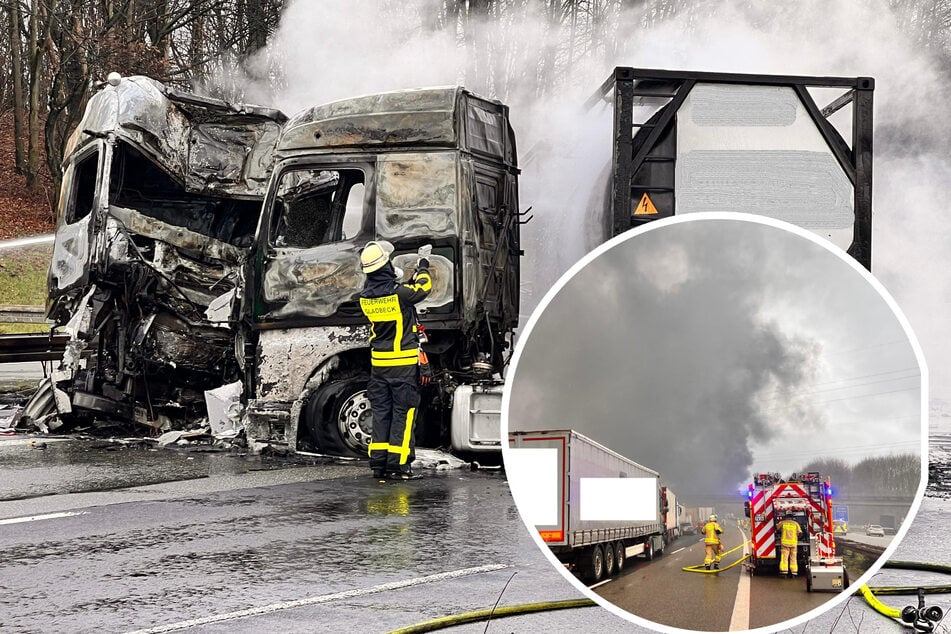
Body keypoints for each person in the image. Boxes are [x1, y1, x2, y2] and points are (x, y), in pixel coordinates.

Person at [359, 241, 432, 481]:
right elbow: (424, 288)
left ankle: (379, 464)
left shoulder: (366, 297)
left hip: (379, 365)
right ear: (384, 267)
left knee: (381, 412)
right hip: (402, 365)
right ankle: (399, 466)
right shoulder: (399, 294)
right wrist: (422, 265)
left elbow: (390, 292)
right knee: (403, 413)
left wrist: (396, 278)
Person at [777, 512, 802, 577]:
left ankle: (784, 571)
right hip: (793, 543)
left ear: (786, 517)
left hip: (785, 543)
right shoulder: (796, 524)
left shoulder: (782, 523)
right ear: (792, 518)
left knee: (784, 558)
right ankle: (794, 571)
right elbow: (800, 533)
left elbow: (777, 528)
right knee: (793, 558)